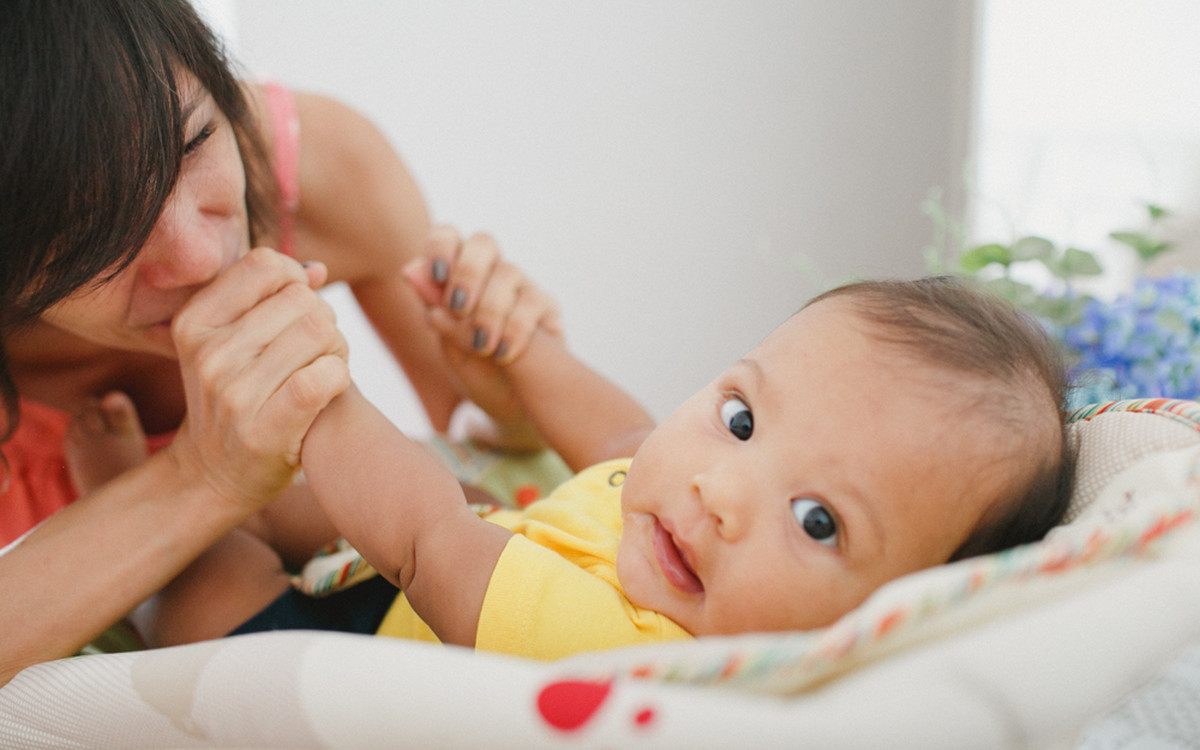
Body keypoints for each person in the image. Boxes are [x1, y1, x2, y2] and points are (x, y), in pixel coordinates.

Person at [147, 232, 1077, 658]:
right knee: (286, 493)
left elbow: (427, 539)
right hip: (428, 557)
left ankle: (126, 487)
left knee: (213, 579)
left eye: (818, 520)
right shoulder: (691, 515)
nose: (722, 489)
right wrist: (521, 350)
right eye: (743, 418)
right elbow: (622, 436)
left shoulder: (637, 653)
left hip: (369, 638)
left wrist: (315, 389)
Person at [0, 0, 556, 684]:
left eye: (195, 141)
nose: (202, 257)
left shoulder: (325, 172)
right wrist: (204, 477)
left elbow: (477, 443)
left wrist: (518, 392)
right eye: (96, 233)